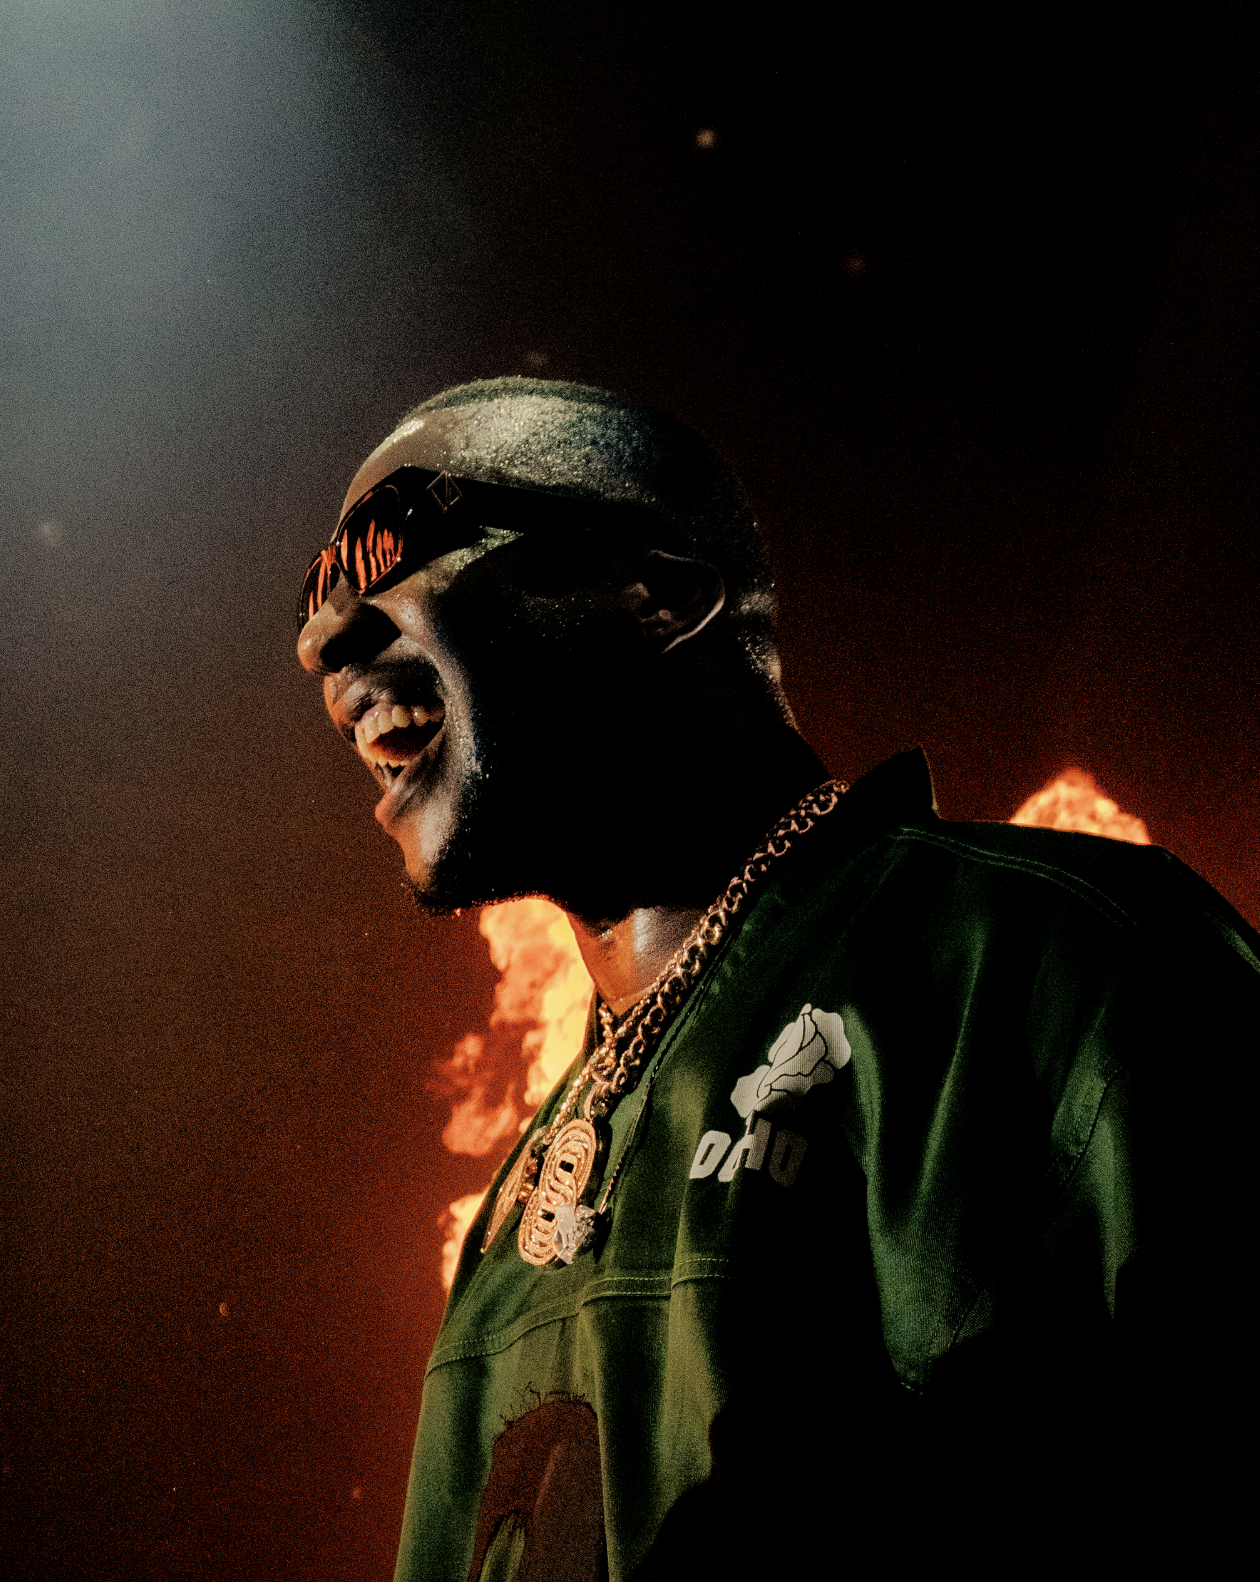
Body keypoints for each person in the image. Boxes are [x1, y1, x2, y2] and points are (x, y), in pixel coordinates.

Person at [296, 378, 1254, 1580]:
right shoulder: (517, 1205)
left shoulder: (1055, 963)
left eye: (393, 547)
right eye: (314, 592)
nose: (322, 638)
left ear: (657, 597)